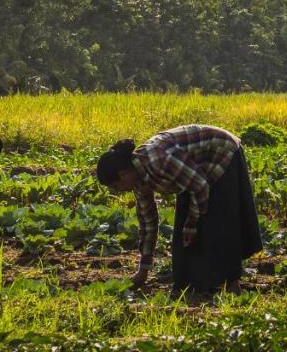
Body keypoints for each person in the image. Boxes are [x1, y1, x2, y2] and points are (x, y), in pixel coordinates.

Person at [96, 124, 263, 295]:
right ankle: (190, 286)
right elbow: (148, 222)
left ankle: (231, 285)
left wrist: (191, 223)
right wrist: (143, 271)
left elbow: (200, 186)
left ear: (123, 174)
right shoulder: (138, 182)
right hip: (192, 175)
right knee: (183, 234)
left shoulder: (157, 159)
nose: (120, 191)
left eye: (116, 186)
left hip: (220, 152)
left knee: (216, 223)